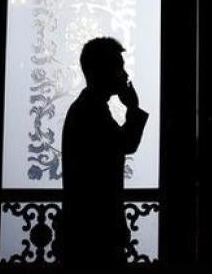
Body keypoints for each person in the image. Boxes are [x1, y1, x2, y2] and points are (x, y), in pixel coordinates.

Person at [59, 37, 148, 267]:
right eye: (119, 67)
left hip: (86, 234)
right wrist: (133, 108)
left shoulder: (89, 107)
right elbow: (126, 143)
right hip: (94, 237)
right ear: (101, 71)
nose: (125, 75)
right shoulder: (91, 112)